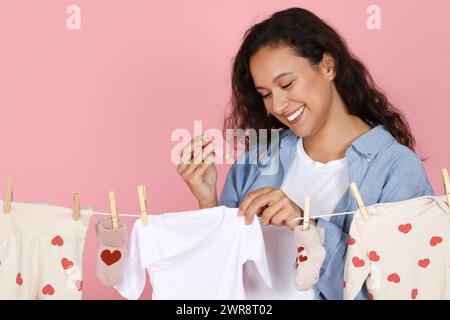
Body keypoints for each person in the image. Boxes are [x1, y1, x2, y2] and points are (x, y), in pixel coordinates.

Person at [176, 7, 434, 300]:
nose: (278, 105)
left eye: (286, 84)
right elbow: (218, 276)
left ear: (327, 66)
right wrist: (208, 201)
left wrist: (307, 227)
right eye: (266, 94)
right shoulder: (256, 160)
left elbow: (396, 291)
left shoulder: (395, 170)